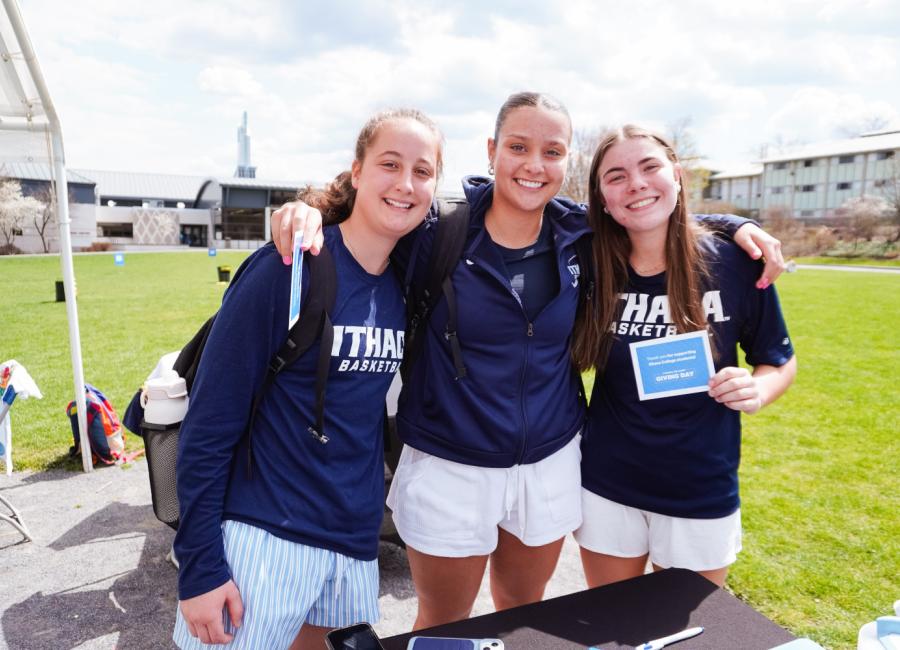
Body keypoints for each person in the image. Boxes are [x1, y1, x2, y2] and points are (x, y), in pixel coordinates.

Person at [270, 92, 784, 630]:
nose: (534, 165)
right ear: (492, 150)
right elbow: (371, 213)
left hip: (548, 460)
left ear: (566, 163)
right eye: (518, 146)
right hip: (451, 464)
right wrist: (305, 209)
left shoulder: (580, 234)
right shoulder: (437, 230)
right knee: (445, 621)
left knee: (525, 617)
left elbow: (650, 210)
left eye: (553, 151)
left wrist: (731, 221)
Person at [172, 108, 444, 650]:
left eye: (423, 170)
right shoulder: (288, 267)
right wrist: (200, 566)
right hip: (264, 536)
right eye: (390, 163)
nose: (405, 183)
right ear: (358, 171)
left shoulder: (403, 279)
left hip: (350, 541)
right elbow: (209, 423)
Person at [572, 125, 797, 589]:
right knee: (613, 626)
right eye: (616, 176)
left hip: (699, 487)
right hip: (608, 483)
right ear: (602, 197)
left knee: (684, 635)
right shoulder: (591, 262)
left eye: (649, 167)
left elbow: (778, 359)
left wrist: (758, 389)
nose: (635, 183)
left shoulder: (734, 263)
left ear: (676, 175)